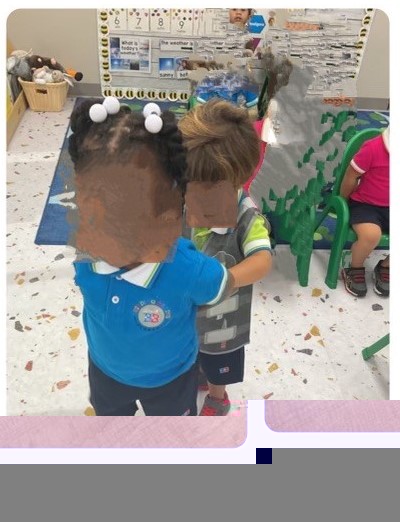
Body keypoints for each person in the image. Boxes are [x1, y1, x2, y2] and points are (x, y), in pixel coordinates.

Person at [68, 97, 235, 416]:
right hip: (105, 372)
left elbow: (220, 283)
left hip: (170, 379)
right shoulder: (86, 252)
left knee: (168, 438)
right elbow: (221, 285)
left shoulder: (186, 266)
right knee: (116, 429)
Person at [179, 99, 273, 416]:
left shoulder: (247, 215)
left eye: (206, 188)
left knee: (218, 361)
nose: (194, 193)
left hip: (222, 319)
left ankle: (218, 396)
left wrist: (226, 279)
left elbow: (262, 260)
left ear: (237, 180)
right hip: (183, 310)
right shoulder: (183, 196)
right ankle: (197, 374)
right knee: (188, 351)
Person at [340, 127, 389, 297]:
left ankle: (386, 266)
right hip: (365, 204)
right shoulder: (373, 148)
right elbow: (350, 176)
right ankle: (355, 267)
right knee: (370, 235)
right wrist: (343, 201)